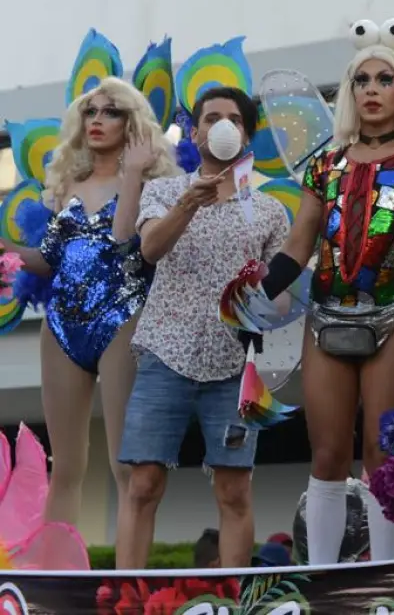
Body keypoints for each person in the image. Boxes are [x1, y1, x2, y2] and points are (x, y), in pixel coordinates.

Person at [254, 19, 394, 566]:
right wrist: (252, 294)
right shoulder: (325, 164)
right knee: (327, 453)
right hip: (325, 316)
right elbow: (298, 243)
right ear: (350, 92)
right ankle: (323, 581)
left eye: (385, 79)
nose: (372, 90)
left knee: (382, 453)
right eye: (362, 81)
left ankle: (383, 579)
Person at [115, 85, 291, 569]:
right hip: (163, 355)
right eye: (211, 117)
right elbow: (149, 250)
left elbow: (281, 297)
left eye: (233, 118)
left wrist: (263, 305)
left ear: (246, 136)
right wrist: (189, 204)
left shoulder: (270, 210)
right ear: (195, 131)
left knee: (234, 490)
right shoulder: (166, 190)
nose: (222, 125)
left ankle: (231, 601)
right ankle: (125, 600)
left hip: (235, 367)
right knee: (143, 482)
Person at [0, 79, 179, 527]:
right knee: (65, 466)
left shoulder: (151, 184)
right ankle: (60, 582)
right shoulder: (66, 184)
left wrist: (134, 172)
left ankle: (122, 584)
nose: (97, 120)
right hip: (60, 326)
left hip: (123, 319)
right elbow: (46, 260)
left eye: (111, 112)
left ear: (132, 123)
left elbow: (126, 243)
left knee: (125, 465)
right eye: (91, 111)